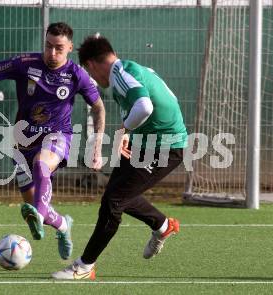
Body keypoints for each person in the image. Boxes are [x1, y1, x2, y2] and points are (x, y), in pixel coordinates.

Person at [0, 23, 105, 260]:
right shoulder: (25, 64)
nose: (52, 53)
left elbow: (98, 107)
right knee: (35, 206)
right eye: (48, 46)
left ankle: (40, 216)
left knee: (41, 166)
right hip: (23, 141)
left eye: (59, 48)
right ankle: (63, 225)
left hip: (58, 136)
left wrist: (97, 146)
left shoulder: (77, 75)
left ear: (70, 48)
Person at [52, 35, 187, 280]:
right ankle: (163, 226)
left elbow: (145, 106)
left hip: (164, 146)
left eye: (88, 71)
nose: (92, 78)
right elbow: (168, 99)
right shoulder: (132, 69)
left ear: (91, 64)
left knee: (113, 201)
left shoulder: (121, 74)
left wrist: (124, 130)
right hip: (145, 142)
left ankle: (84, 267)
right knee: (117, 194)